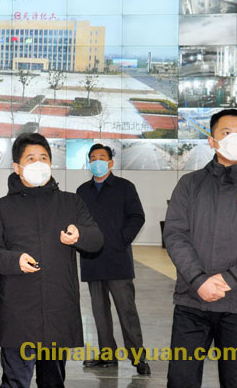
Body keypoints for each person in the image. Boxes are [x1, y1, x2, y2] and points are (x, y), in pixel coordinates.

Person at [0, 133, 103, 388]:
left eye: (43, 158)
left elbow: (97, 241)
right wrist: (14, 260)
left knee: (53, 381)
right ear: (17, 167)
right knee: (15, 381)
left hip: (58, 308)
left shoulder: (70, 203)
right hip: (19, 312)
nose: (38, 163)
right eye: (31, 158)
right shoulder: (2, 208)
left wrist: (80, 235)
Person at [164, 108, 237, 388]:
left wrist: (228, 280)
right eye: (226, 133)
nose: (234, 138)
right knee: (180, 380)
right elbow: (175, 235)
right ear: (212, 141)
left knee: (236, 381)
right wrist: (199, 280)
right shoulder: (190, 184)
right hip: (192, 301)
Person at [76, 143, 150, 375]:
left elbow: (137, 216)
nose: (97, 161)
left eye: (101, 157)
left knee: (126, 311)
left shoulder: (125, 187)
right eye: (93, 158)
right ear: (89, 162)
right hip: (92, 260)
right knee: (99, 312)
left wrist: (121, 240)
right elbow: (77, 221)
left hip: (118, 260)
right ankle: (107, 356)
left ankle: (138, 358)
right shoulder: (82, 191)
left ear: (110, 162)